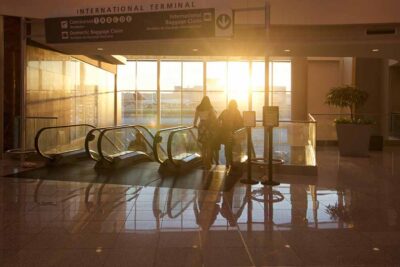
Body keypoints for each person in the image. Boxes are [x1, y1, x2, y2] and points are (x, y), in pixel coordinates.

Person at [217, 100, 243, 171]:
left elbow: (218, 119)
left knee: (227, 148)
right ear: (235, 105)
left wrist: (220, 127)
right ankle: (232, 163)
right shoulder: (236, 112)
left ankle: (228, 163)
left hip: (225, 133)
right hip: (233, 132)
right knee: (232, 148)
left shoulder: (225, 111)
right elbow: (241, 122)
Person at [193, 96, 218, 169]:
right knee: (209, 146)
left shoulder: (198, 108)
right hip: (208, 127)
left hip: (201, 126)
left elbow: (196, 118)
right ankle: (208, 163)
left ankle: (203, 162)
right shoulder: (210, 108)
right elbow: (214, 117)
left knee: (203, 146)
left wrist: (194, 124)